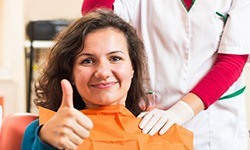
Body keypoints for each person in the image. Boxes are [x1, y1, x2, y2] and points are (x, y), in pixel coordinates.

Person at [81, 0, 250, 149]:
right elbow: (99, 18)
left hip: (214, 124)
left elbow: (233, 60)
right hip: (152, 119)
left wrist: (179, 112)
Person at [21, 9, 193, 150]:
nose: (103, 72)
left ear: (133, 67)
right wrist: (45, 143)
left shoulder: (167, 134)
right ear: (71, 74)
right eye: (87, 61)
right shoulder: (43, 131)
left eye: (115, 58)